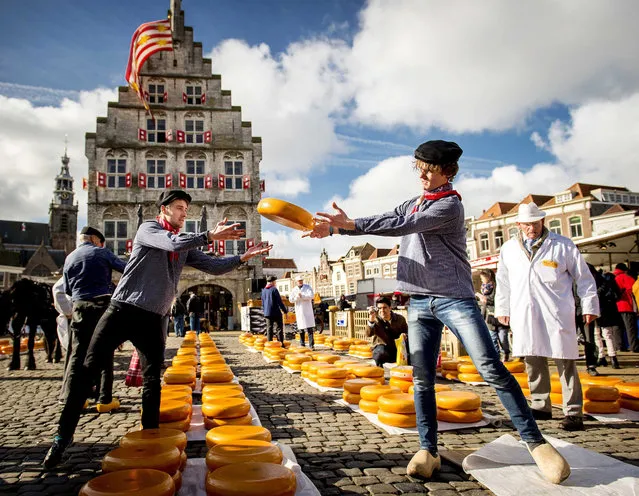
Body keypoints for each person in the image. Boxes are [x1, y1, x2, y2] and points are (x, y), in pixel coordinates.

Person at [304, 140, 571, 484]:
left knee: (490, 367)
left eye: (430, 170)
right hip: (418, 301)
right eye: (420, 169)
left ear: (447, 172)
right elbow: (390, 217)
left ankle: (537, 445)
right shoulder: (416, 201)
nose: (423, 176)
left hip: (453, 298)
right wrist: (339, 228)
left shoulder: (449, 207)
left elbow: (405, 226)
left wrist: (350, 225)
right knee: (421, 378)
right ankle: (428, 450)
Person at [44, 189, 272, 469]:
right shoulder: (148, 229)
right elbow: (172, 244)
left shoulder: (183, 244)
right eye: (178, 207)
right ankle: (61, 439)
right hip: (122, 310)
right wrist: (209, 236)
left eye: (186, 209)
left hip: (154, 318)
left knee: (153, 382)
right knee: (87, 370)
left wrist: (242, 258)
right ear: (163, 209)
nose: (183, 213)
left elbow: (213, 265)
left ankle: (149, 439)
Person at [495, 202, 599, 432]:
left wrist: (590, 305)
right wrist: (502, 309)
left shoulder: (563, 245)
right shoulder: (509, 248)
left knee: (566, 361)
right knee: (533, 359)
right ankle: (541, 404)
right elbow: (503, 282)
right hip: (525, 311)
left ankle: (573, 411)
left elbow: (584, 278)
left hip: (556, 311)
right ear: (518, 224)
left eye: (535, 223)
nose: (531, 228)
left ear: (542, 221)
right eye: (527, 224)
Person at [61, 226, 127, 412]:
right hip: (100, 306)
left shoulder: (70, 257)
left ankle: (74, 399)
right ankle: (104, 399)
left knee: (77, 353)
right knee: (105, 351)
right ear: (95, 240)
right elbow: (126, 269)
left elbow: (66, 289)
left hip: (79, 307)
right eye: (101, 241)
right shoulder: (101, 252)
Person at [476, 269, 510, 361]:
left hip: (499, 315)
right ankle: (496, 357)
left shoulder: (497, 287)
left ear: (488, 277)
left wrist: (485, 299)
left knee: (503, 338)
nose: (481, 279)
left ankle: (506, 353)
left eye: (482, 277)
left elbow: (497, 300)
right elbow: (484, 304)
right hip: (489, 317)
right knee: (493, 338)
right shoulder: (484, 288)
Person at [366, 296, 408, 367]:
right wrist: (371, 320)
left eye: (384, 307)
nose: (382, 310)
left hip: (397, 348)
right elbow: (368, 334)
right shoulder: (376, 320)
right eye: (379, 308)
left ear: (390, 308)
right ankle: (379, 371)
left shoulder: (400, 319)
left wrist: (405, 335)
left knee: (411, 354)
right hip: (382, 348)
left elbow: (407, 332)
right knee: (380, 353)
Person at [594, 271, 623, 369]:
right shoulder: (611, 280)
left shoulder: (597, 281)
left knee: (596, 333)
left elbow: (597, 295)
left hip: (599, 309)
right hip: (611, 309)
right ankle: (613, 358)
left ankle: (601, 356)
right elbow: (618, 295)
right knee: (608, 334)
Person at [52, 276, 73, 403]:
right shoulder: (76, 264)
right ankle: (67, 393)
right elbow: (58, 290)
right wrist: (69, 311)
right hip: (76, 318)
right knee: (74, 355)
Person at [612, 263, 639, 352]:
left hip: (615, 306)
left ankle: (619, 346)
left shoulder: (613, 278)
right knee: (630, 327)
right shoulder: (626, 277)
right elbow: (633, 290)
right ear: (625, 269)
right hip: (626, 305)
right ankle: (634, 347)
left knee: (618, 327)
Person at [289, 275, 315, 349]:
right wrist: (297, 297)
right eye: (299, 281)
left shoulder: (308, 287)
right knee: (301, 328)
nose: (300, 282)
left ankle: (311, 344)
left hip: (307, 310)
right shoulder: (294, 290)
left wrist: (302, 296)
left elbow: (311, 296)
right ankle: (302, 343)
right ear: (296, 282)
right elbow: (291, 300)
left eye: (301, 281)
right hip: (299, 310)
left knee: (309, 328)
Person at [261, 275, 288, 343]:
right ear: (272, 282)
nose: (275, 283)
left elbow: (263, 302)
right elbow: (279, 301)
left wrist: (264, 311)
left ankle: (269, 344)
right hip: (275, 312)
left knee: (269, 329)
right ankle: (280, 343)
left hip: (267, 312)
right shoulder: (274, 289)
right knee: (279, 328)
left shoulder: (263, 290)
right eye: (275, 281)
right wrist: (285, 311)